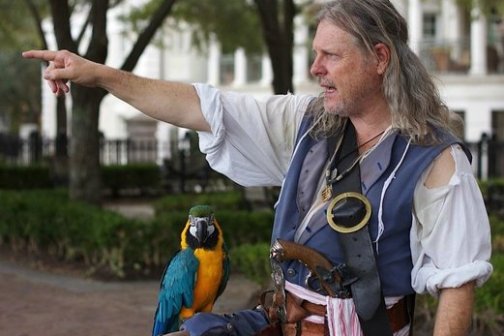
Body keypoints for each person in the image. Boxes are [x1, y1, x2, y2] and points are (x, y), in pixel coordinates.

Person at [23, 0, 492, 335]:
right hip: (283, 322)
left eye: (331, 55)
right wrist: (101, 75)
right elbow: (202, 107)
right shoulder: (310, 124)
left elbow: (458, 287)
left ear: (379, 59)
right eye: (315, 54)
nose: (315, 68)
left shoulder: (438, 161)